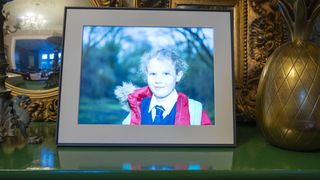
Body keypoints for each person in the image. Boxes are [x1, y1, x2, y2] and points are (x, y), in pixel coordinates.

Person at [117, 49, 212, 125]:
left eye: (166, 74)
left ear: (178, 76)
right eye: (153, 74)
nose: (158, 80)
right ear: (147, 76)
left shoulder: (195, 111)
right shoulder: (136, 109)